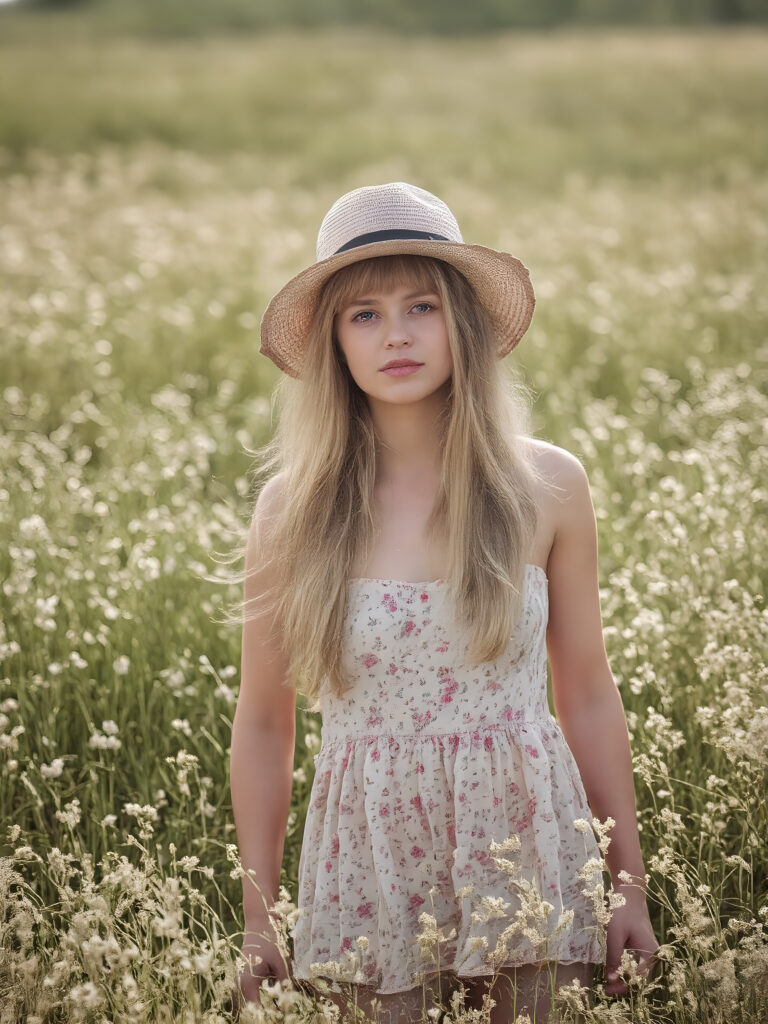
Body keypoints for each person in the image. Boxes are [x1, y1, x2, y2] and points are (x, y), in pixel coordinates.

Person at [228, 182, 660, 1022]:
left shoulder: (548, 486)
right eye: (364, 314)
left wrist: (628, 886)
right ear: (333, 345)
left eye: (421, 305)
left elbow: (587, 692)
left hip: (527, 838)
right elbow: (264, 722)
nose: (396, 333)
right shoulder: (293, 509)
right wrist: (260, 918)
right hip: (369, 854)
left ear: (460, 321)